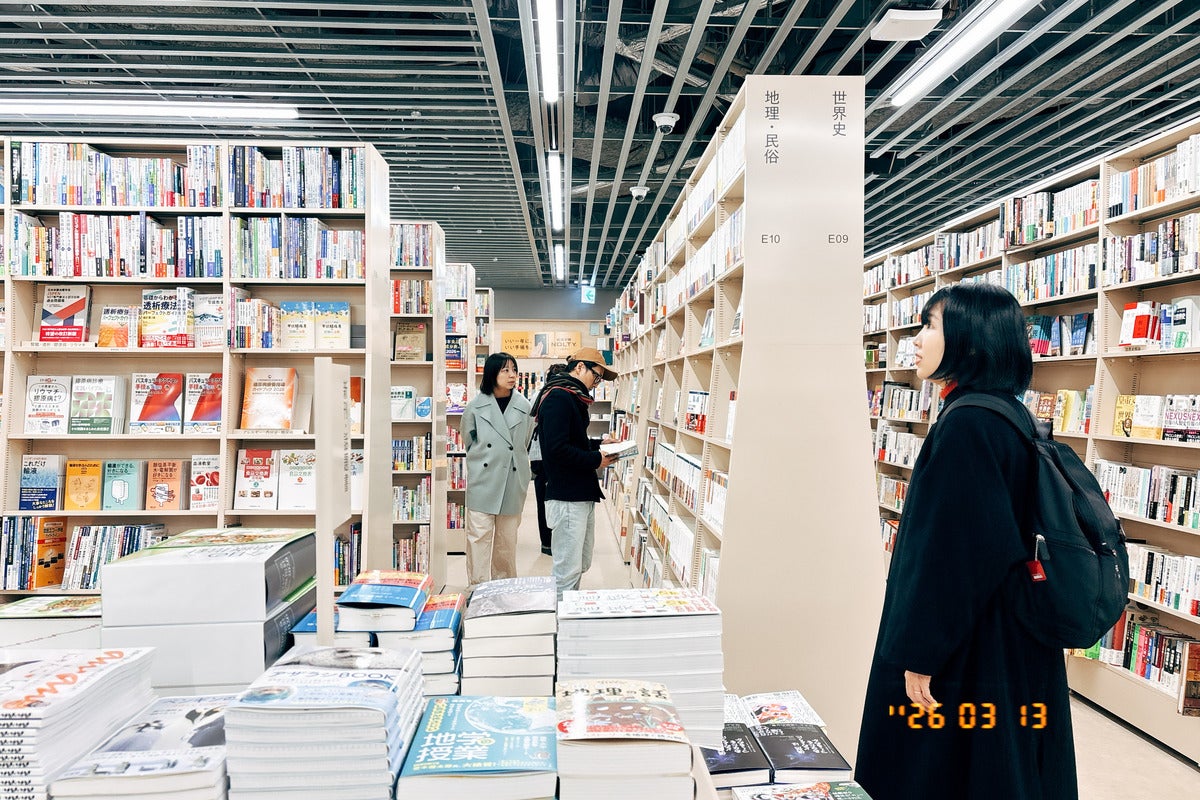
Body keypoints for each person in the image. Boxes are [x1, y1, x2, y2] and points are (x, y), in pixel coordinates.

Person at [855, 282, 1077, 800]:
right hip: (1008, 637)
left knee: (937, 767)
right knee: (1001, 765)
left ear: (970, 341)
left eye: (930, 325)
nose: (915, 340)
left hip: (969, 648)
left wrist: (920, 652)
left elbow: (953, 556)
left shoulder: (968, 426)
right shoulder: (1006, 414)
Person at [531, 347, 618, 598]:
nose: (596, 383)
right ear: (580, 367)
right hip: (567, 496)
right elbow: (557, 449)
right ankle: (560, 618)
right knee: (567, 571)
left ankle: (568, 613)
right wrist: (595, 459)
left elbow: (572, 441)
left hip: (579, 493)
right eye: (596, 376)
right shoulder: (559, 397)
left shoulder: (572, 396)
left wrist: (599, 445)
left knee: (579, 564)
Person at [460, 352, 533, 587]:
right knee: (478, 538)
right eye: (505, 370)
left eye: (514, 370)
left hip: (512, 479)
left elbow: (524, 442)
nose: (512, 375)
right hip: (483, 479)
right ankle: (478, 587)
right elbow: (469, 440)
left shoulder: (524, 406)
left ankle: (504, 588)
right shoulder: (475, 406)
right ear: (492, 373)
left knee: (506, 541)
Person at [528, 362, 569, 556]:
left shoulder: (539, 394)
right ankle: (555, 541)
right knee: (556, 499)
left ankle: (547, 542)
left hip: (538, 455)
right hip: (551, 455)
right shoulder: (561, 395)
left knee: (542, 499)